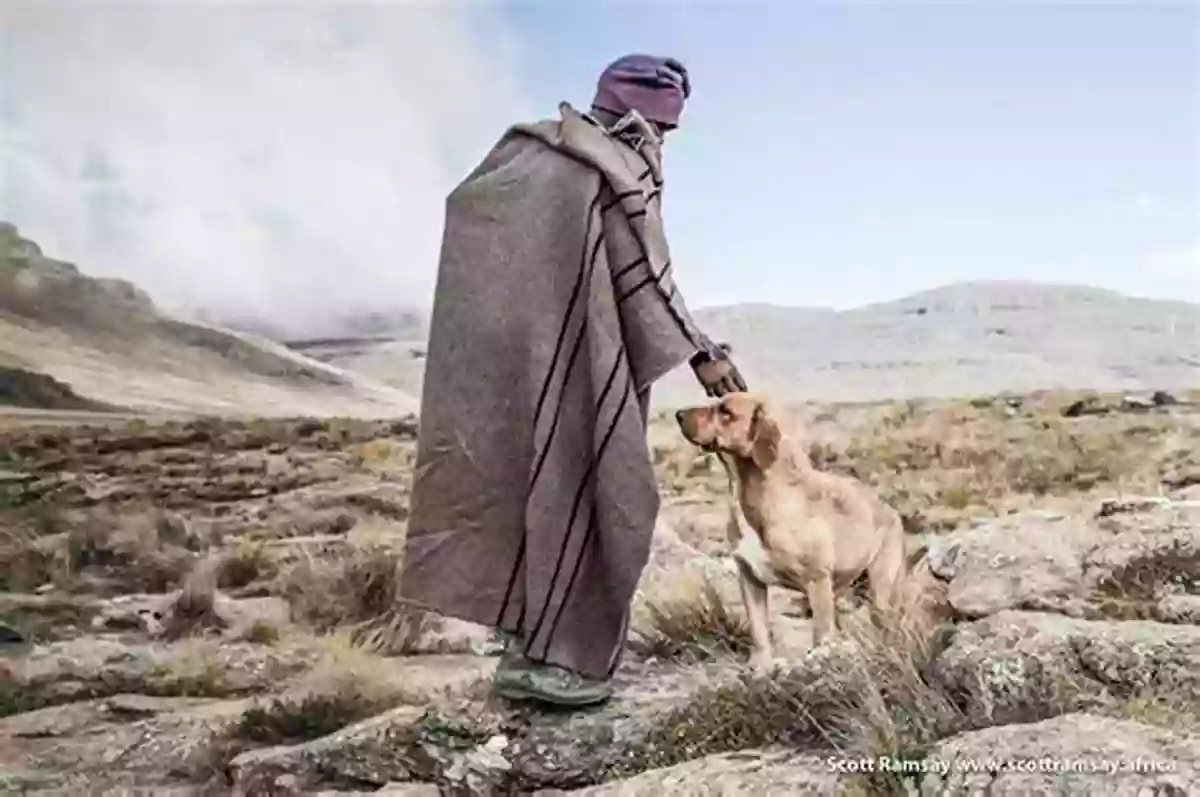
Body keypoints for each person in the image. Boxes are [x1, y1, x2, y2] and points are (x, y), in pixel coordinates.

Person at [400, 53, 746, 708]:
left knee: (532, 485)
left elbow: (473, 206)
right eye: (663, 129)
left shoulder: (534, 154)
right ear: (639, 117)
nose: (664, 144)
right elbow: (643, 270)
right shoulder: (616, 165)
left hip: (535, 368)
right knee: (602, 496)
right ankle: (565, 665)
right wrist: (701, 353)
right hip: (582, 371)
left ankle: (528, 648)